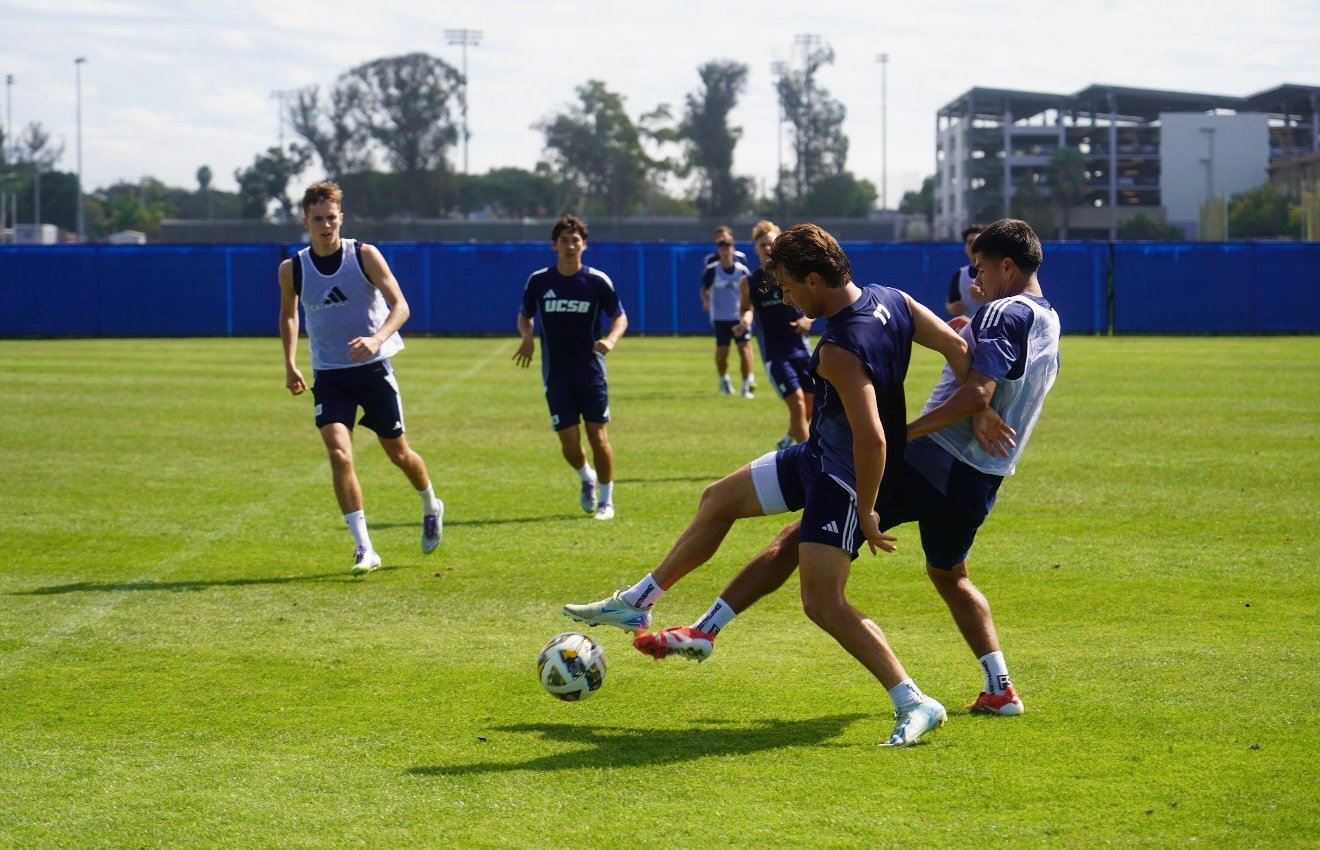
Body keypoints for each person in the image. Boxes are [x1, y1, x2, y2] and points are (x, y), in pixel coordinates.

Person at [636, 218, 1061, 722]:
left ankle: (706, 629)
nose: (976, 281)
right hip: (982, 479)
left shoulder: (999, 311)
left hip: (933, 463)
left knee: (813, 542)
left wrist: (910, 431)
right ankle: (1001, 687)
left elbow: (976, 392)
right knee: (949, 574)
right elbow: (984, 372)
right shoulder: (1048, 318)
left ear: (1006, 266)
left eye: (982, 268)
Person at [566, 223, 971, 747]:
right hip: (816, 456)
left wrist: (868, 510)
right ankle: (639, 601)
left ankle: (913, 701)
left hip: (843, 481)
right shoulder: (891, 298)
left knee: (824, 605)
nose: (783, 297)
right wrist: (976, 407)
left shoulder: (839, 347)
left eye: (786, 285)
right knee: (718, 499)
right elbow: (957, 347)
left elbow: (873, 439)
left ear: (813, 278)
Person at [278, 180, 444, 576]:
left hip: (373, 369)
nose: (325, 225)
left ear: (341, 218)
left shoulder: (364, 255)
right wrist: (289, 362)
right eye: (317, 219)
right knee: (339, 453)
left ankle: (430, 504)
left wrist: (376, 339)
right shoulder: (292, 268)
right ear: (305, 221)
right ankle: (364, 547)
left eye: (331, 218)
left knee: (398, 453)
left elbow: (401, 305)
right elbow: (289, 314)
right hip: (330, 375)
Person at [515, 214, 628, 521]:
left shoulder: (596, 281)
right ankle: (586, 476)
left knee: (598, 436)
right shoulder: (539, 281)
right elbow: (524, 315)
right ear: (554, 245)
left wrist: (611, 340)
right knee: (569, 444)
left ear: (584, 245)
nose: (569, 245)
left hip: (591, 372)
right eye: (564, 240)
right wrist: (527, 337)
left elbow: (620, 316)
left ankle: (606, 500)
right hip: (557, 375)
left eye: (575, 240)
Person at [739, 220, 813, 450]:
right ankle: (810, 460)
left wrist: (807, 320)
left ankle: (788, 441)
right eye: (763, 245)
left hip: (800, 348)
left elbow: (814, 305)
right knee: (798, 406)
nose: (768, 249)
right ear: (755, 248)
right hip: (775, 352)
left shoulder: (794, 275)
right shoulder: (749, 282)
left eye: (771, 244)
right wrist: (744, 320)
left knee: (811, 405)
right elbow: (746, 309)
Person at [701, 225, 757, 398]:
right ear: (719, 250)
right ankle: (724, 379)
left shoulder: (742, 270)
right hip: (720, 318)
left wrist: (749, 313)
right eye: (722, 248)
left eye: (728, 247)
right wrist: (706, 301)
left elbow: (751, 292)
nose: (726, 251)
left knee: (744, 348)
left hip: (739, 317)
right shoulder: (712, 269)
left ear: (733, 249)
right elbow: (704, 289)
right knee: (722, 354)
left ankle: (746, 385)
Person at [945, 224, 986, 331]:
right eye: (970, 242)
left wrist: (984, 297)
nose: (974, 247)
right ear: (965, 248)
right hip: (968, 332)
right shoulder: (960, 275)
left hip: (992, 331)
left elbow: (1008, 302)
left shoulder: (997, 272)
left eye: (978, 242)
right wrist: (953, 308)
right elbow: (950, 304)